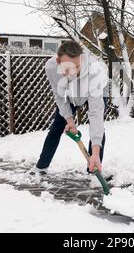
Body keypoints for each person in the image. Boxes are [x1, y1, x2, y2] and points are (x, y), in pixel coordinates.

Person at [32, 41, 108, 176]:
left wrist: (95, 152)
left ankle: (94, 169)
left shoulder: (95, 71)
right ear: (58, 61)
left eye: (77, 67)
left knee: (97, 128)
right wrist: (70, 120)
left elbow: (95, 115)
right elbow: (59, 97)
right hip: (69, 95)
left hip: (95, 92)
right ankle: (41, 167)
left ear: (81, 59)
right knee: (57, 127)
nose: (72, 72)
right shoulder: (50, 67)